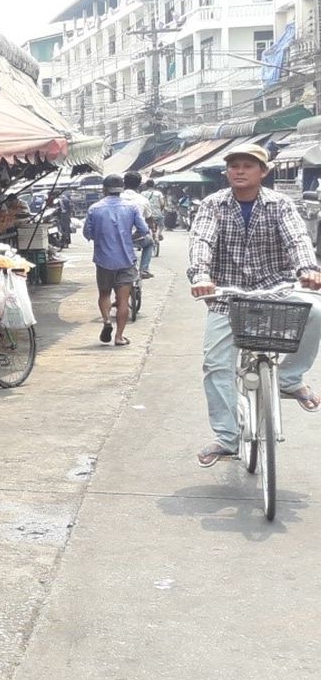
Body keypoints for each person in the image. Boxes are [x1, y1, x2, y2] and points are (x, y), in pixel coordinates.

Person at [187, 145, 321, 467]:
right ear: (226, 172)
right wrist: (201, 275)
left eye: (248, 165)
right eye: (234, 165)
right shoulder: (213, 205)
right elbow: (202, 240)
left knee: (316, 311)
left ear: (264, 171)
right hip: (226, 296)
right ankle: (227, 438)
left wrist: (308, 269)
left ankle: (290, 378)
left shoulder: (280, 204)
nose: (239, 171)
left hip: (275, 289)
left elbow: (297, 239)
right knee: (216, 365)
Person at [84, 175, 150, 347]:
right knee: (123, 300)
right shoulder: (131, 207)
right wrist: (129, 237)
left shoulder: (94, 208)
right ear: (121, 189)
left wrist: (100, 237)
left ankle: (107, 320)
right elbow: (144, 229)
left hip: (103, 260)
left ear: (104, 189)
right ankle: (119, 337)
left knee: (104, 294)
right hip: (126, 259)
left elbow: (87, 233)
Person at [121, 172, 159, 277]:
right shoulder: (143, 200)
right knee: (150, 242)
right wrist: (153, 230)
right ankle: (144, 270)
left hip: (117, 237)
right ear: (139, 185)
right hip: (136, 237)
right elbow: (149, 219)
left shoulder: (116, 198)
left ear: (124, 183)